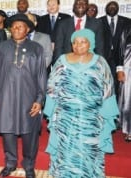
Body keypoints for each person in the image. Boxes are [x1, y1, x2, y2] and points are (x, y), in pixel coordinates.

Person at [43, 29, 119, 178]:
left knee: (89, 149)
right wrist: (52, 111)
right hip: (66, 116)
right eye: (75, 42)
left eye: (83, 42)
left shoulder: (100, 62)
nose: (78, 46)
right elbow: (52, 86)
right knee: (65, 147)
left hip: (91, 118)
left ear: (91, 43)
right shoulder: (61, 60)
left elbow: (108, 88)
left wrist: (107, 114)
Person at [0, 14, 46, 178]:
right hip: (6, 97)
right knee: (8, 133)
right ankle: (10, 163)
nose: (16, 29)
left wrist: (39, 99)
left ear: (27, 29)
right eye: (14, 26)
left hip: (28, 98)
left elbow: (42, 76)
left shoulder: (36, 48)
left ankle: (29, 165)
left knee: (30, 134)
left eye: (20, 26)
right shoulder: (1, 48)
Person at [99, 1, 131, 99]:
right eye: (110, 7)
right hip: (103, 57)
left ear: (118, 9)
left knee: (119, 86)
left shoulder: (127, 21)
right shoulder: (99, 21)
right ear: (105, 9)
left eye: (114, 7)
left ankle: (117, 107)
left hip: (122, 58)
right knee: (103, 84)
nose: (112, 8)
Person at [118, 24, 131, 142]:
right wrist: (120, 70)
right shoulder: (127, 29)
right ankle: (129, 130)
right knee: (128, 101)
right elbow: (120, 50)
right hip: (129, 71)